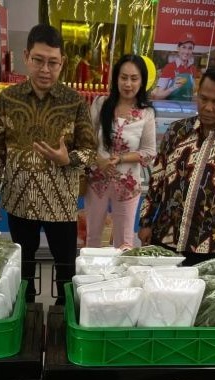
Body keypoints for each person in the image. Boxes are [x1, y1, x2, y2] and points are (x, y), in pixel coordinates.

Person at [0, 24, 96, 304]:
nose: (45, 69)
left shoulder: (75, 102)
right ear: (26, 57)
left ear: (62, 63)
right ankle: (26, 315)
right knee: (23, 268)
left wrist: (66, 158)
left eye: (53, 63)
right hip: (18, 200)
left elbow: (90, 150)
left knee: (66, 270)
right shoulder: (6, 100)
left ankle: (64, 320)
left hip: (61, 203)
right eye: (39, 60)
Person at [138, 66, 215, 266]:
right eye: (203, 98)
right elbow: (157, 180)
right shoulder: (177, 131)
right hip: (165, 235)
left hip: (206, 244)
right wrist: (145, 222)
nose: (208, 107)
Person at [85, 54, 156, 249]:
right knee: (93, 238)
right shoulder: (101, 104)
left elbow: (149, 152)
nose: (128, 84)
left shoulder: (146, 113)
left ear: (142, 82)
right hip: (97, 182)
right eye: (123, 77)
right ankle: (90, 279)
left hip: (128, 185)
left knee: (124, 242)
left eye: (134, 78)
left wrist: (121, 158)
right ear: (116, 78)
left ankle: (120, 279)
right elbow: (86, 141)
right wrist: (99, 160)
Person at [151, 36, 197, 101]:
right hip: (171, 108)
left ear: (192, 50)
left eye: (190, 48)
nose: (186, 52)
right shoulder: (169, 67)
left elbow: (192, 93)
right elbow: (158, 96)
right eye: (183, 47)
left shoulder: (193, 69)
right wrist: (173, 87)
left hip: (187, 108)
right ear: (178, 48)